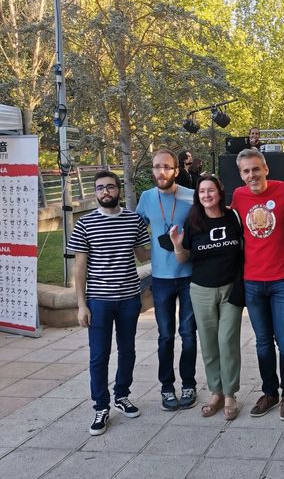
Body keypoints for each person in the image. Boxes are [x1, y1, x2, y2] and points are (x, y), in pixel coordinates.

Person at [68, 170, 151, 435]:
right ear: (96, 192)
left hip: (129, 298)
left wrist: (172, 241)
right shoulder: (85, 224)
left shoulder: (134, 220)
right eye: (100, 188)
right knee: (99, 355)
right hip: (99, 301)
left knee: (127, 350)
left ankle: (122, 395)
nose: (105, 192)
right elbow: (79, 268)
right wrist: (82, 305)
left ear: (118, 190)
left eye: (110, 187)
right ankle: (101, 406)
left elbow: (143, 255)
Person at [231, 148, 284, 422]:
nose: (252, 175)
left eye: (255, 169)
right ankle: (270, 392)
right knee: (262, 343)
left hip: (283, 279)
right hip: (252, 282)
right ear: (241, 174)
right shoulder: (238, 196)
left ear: (266, 169)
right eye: (246, 171)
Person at [170, 174, 243, 420]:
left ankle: (230, 394)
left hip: (231, 289)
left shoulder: (233, 216)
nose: (206, 195)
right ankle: (216, 392)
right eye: (202, 191)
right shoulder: (193, 221)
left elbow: (243, 249)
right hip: (201, 290)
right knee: (209, 344)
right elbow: (183, 258)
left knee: (227, 342)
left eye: (210, 190)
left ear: (220, 192)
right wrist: (177, 244)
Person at [136, 148, 198, 412]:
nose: (161, 172)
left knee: (188, 334)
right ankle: (166, 386)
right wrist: (142, 253)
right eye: (156, 166)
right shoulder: (146, 198)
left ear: (176, 170)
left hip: (188, 276)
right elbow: (134, 228)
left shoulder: (191, 196)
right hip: (160, 279)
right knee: (165, 336)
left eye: (166, 167)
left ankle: (189, 384)